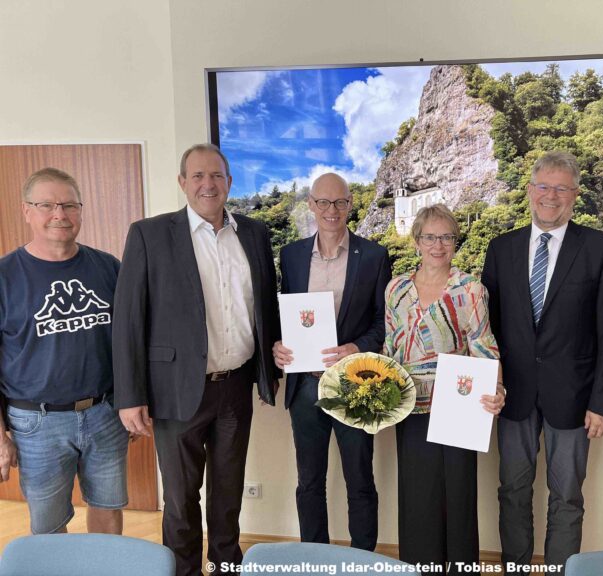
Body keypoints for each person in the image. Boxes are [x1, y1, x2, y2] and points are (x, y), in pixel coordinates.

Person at [112, 144, 281, 576]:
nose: (209, 184)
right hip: (176, 391)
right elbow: (129, 319)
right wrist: (130, 396)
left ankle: (227, 565)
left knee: (228, 493)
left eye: (217, 176)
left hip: (236, 386)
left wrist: (271, 363)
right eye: (199, 176)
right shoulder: (149, 234)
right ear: (183, 182)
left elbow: (264, 307)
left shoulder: (255, 234)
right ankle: (182, 571)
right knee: (182, 499)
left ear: (229, 182)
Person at [482, 150, 603, 570]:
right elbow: (487, 329)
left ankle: (563, 570)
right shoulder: (501, 247)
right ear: (529, 191)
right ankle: (515, 566)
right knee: (512, 489)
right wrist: (489, 385)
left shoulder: (602, 248)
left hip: (576, 398)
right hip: (512, 396)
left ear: (575, 195)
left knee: (567, 495)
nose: (551, 196)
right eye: (543, 186)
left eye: (561, 188)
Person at [0, 167, 128, 535]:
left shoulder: (108, 267)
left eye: (69, 205)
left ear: (81, 211)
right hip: (36, 423)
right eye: (47, 205)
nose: (60, 214)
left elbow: (130, 342)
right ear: (27, 211)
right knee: (48, 526)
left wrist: (130, 402)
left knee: (108, 509)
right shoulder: (6, 276)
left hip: (105, 413)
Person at [272, 173, 391, 551]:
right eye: (323, 202)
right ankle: (315, 558)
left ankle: (363, 561)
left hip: (355, 383)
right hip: (305, 385)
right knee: (309, 481)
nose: (331, 210)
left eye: (339, 202)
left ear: (350, 205)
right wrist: (278, 344)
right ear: (310, 204)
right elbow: (284, 317)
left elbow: (382, 320)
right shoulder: (290, 256)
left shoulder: (373, 255)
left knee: (360, 480)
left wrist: (357, 346)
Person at [385, 204, 505, 573]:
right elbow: (390, 347)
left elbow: (483, 344)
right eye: (430, 237)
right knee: (418, 498)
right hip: (409, 406)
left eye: (446, 237)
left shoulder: (470, 289)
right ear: (417, 240)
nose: (438, 245)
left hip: (460, 407)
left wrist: (497, 388)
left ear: (455, 241)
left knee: (458, 497)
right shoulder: (396, 288)